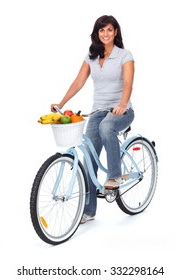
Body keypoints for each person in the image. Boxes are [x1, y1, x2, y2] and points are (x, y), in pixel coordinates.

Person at [51, 15, 135, 224]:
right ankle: (89, 211)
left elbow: (127, 84)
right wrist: (61, 104)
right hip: (98, 112)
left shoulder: (125, 55)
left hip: (121, 111)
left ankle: (114, 176)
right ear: (97, 33)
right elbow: (79, 81)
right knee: (88, 157)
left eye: (109, 30)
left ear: (116, 32)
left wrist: (123, 104)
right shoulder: (91, 56)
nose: (105, 34)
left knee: (107, 126)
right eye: (101, 30)